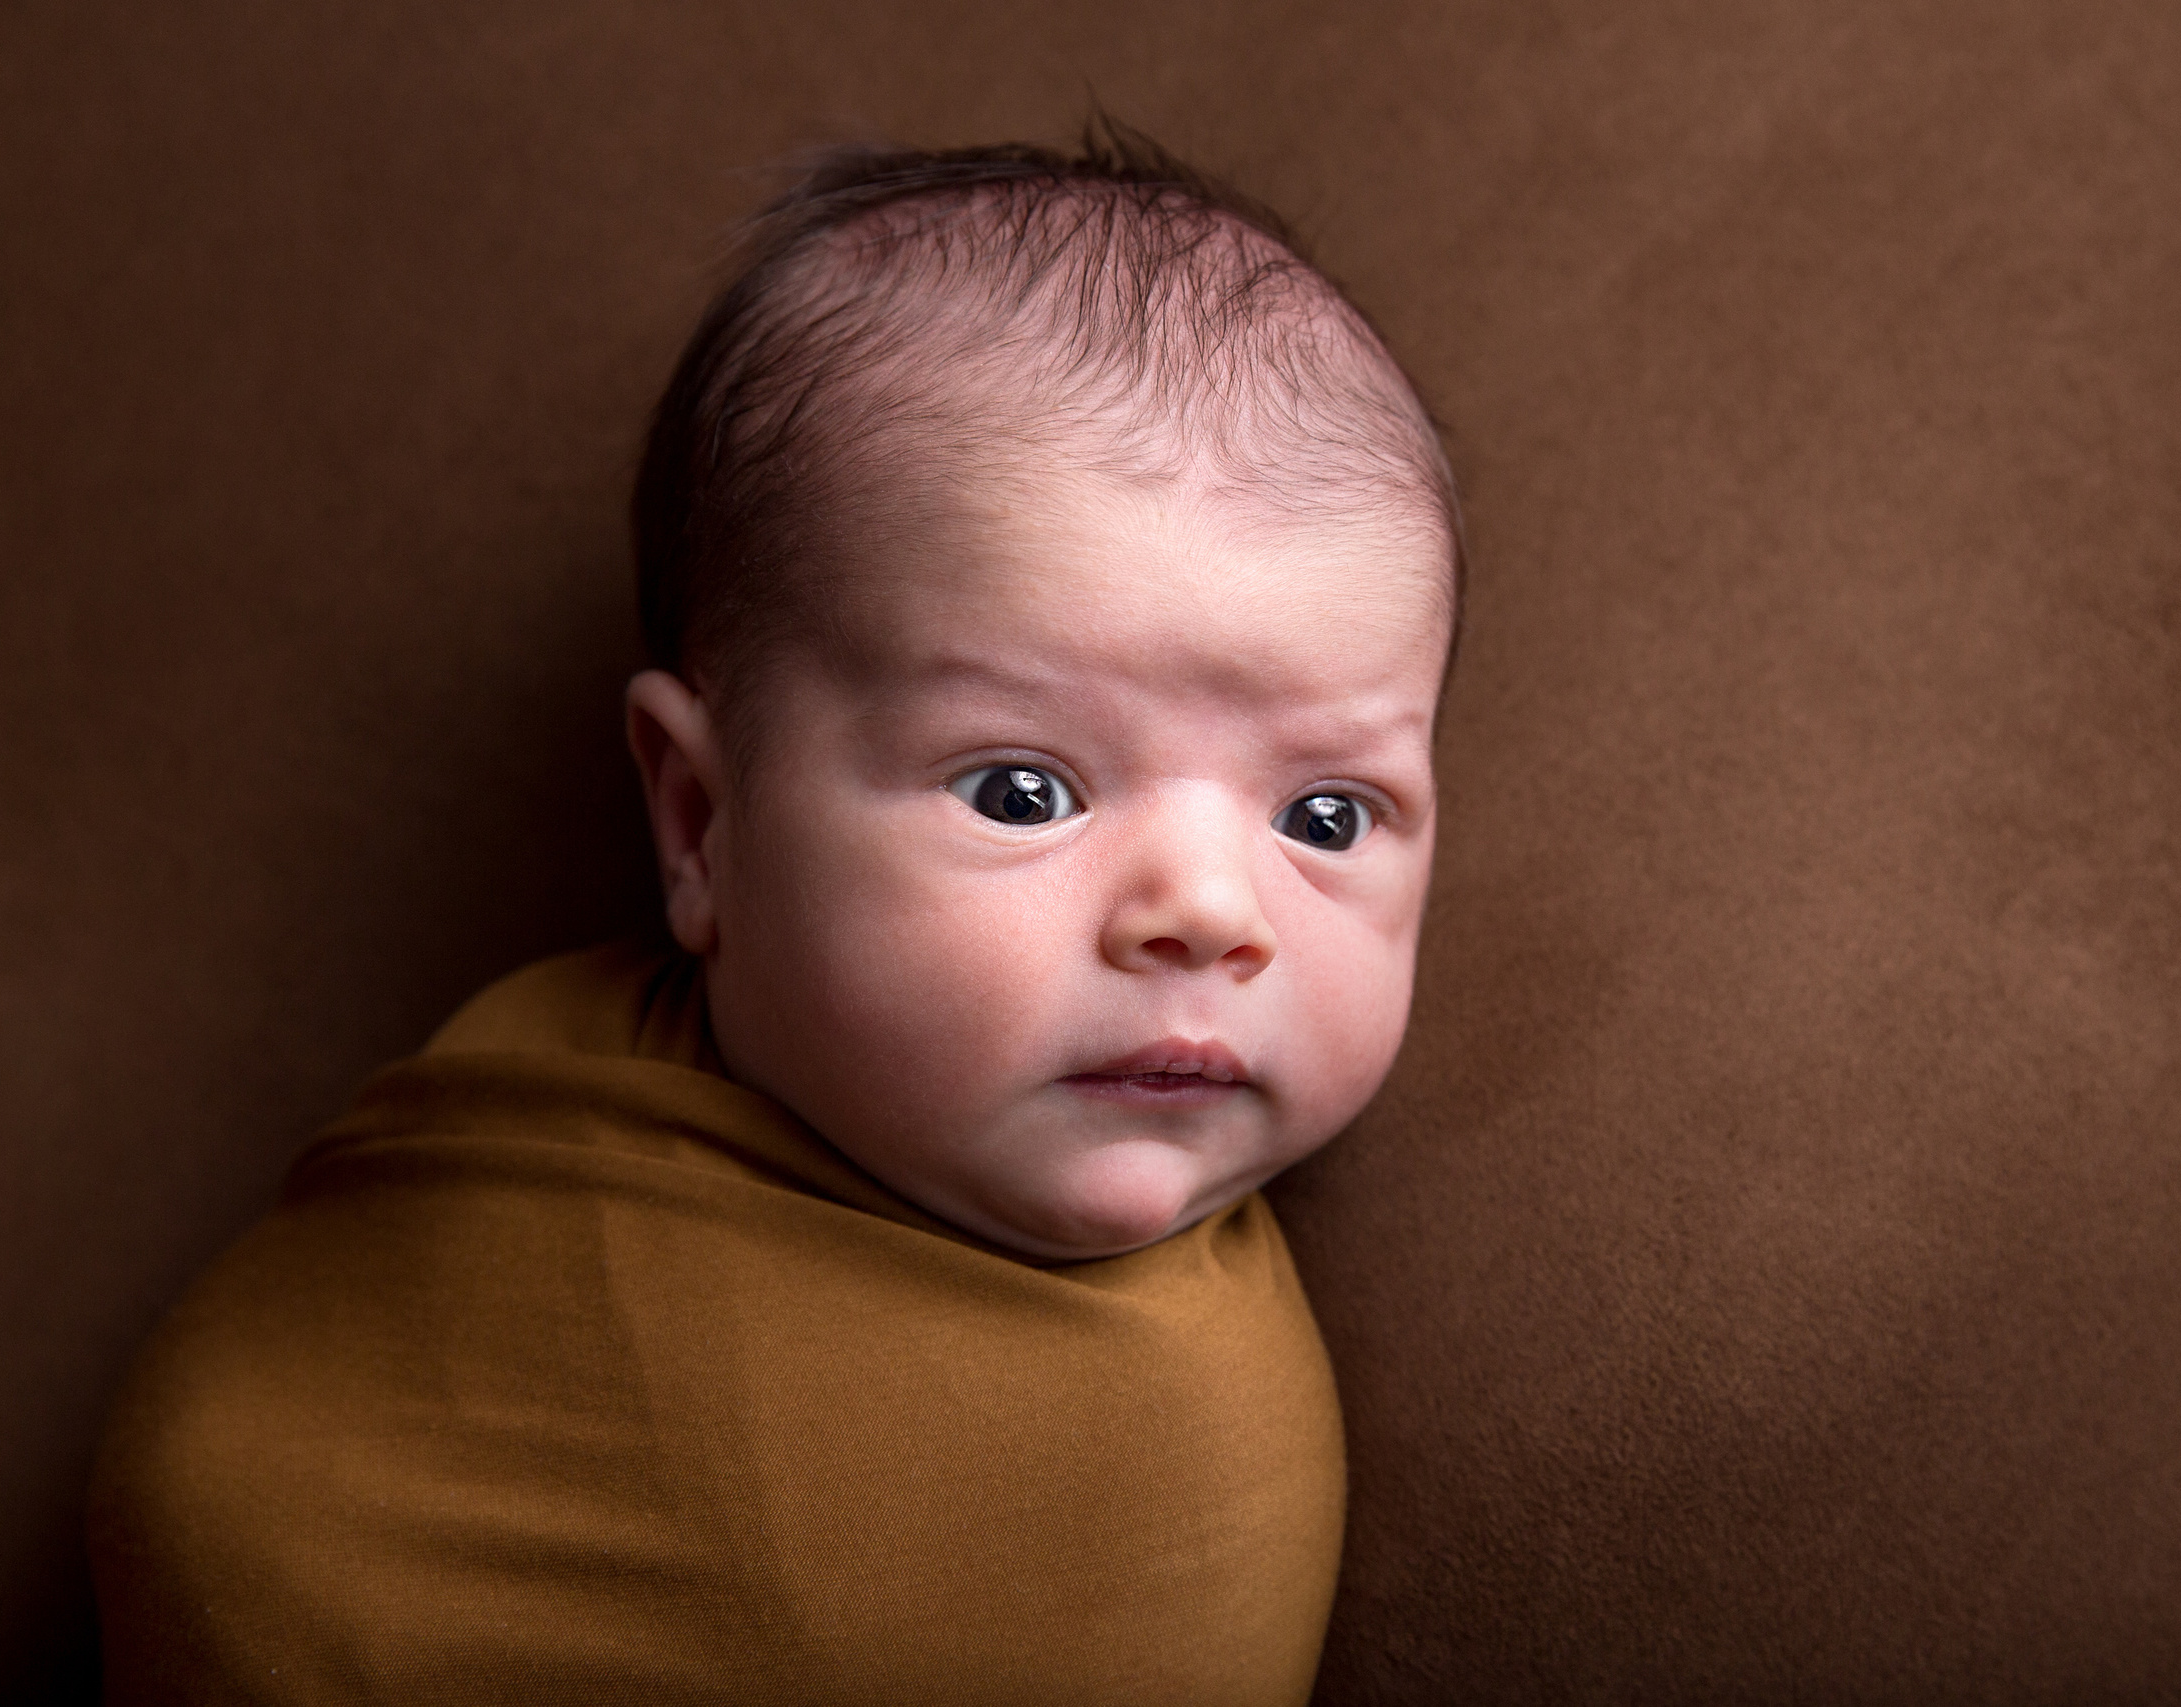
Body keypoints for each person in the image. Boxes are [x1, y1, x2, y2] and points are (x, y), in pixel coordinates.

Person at [89, 123, 1460, 1705]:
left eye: (1326, 819)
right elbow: (261, 1453)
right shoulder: (553, 1080)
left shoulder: (1172, 1492)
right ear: (699, 819)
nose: (1212, 914)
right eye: (1024, 793)